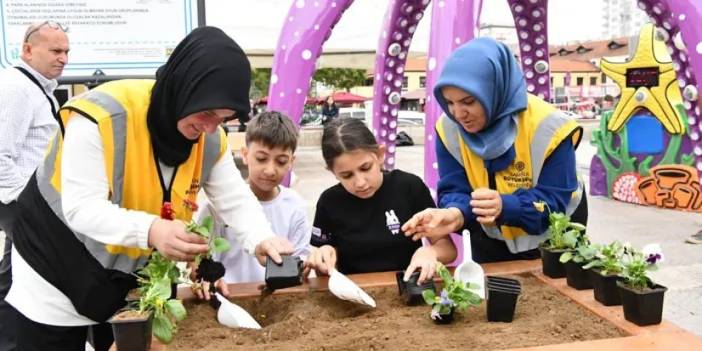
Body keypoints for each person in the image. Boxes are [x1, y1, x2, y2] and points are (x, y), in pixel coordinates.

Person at [4, 27, 293, 350]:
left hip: (123, 276)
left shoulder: (210, 138)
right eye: (206, 112)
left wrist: (260, 238)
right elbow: (81, 208)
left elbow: (234, 197)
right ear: (183, 90)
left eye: (224, 118)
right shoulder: (103, 116)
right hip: (55, 259)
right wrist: (153, 230)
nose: (210, 127)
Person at [402, 37, 587, 264]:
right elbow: (455, 188)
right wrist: (454, 214)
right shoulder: (448, 128)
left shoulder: (549, 126)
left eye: (468, 101)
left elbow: (555, 201)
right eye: (449, 103)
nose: (458, 114)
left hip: (556, 243)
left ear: (494, 90)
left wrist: (506, 206)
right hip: (490, 241)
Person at [306, 118, 456, 284]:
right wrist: (323, 257)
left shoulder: (409, 187)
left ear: (380, 155)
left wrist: (431, 252)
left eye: (365, 168)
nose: (361, 182)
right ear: (333, 172)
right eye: (347, 175)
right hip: (353, 294)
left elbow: (448, 249)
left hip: (409, 285)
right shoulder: (329, 202)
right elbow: (323, 273)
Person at [0, 20, 69, 351]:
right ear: (28, 50)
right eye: (56, 50)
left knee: (18, 282)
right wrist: (28, 206)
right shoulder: (16, 89)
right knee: (18, 284)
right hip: (21, 205)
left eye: (67, 51)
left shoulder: (37, 88)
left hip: (31, 206)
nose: (64, 58)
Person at [191, 111, 311, 298]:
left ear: (291, 162)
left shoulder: (295, 207)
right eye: (261, 158)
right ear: (245, 155)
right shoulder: (216, 208)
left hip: (278, 300)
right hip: (229, 298)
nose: (270, 170)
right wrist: (207, 279)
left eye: (281, 161)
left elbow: (301, 261)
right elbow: (200, 265)